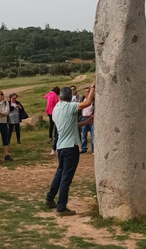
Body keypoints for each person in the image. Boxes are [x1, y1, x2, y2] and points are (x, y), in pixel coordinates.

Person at [45, 79, 95, 216]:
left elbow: (70, 126)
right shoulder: (70, 106)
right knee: (66, 177)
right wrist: (93, 87)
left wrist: (86, 122)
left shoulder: (56, 109)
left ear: (60, 97)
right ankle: (61, 207)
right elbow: (88, 103)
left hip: (61, 146)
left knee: (60, 173)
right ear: (70, 97)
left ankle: (50, 198)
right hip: (70, 146)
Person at [80, 87, 95, 154]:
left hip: (91, 118)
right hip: (84, 118)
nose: (87, 93)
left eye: (88, 91)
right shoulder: (82, 99)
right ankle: (84, 149)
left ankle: (93, 149)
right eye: (86, 92)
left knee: (93, 134)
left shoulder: (94, 100)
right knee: (84, 135)